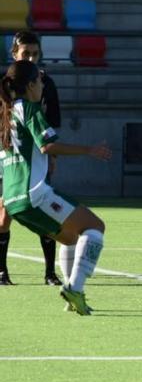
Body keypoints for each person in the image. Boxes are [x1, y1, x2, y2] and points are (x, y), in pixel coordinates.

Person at [0, 61, 111, 315]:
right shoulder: (28, 108)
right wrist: (88, 150)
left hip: (13, 201)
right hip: (35, 194)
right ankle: (75, 288)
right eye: (39, 82)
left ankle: (73, 296)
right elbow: (47, 146)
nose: (42, 87)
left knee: (71, 237)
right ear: (29, 85)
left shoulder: (3, 114)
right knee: (95, 227)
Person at [0, 31, 62, 286]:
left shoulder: (46, 84)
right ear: (14, 54)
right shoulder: (6, 83)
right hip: (8, 153)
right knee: (4, 212)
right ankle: (2, 271)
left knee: (44, 205)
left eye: (35, 53)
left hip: (37, 155)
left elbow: (53, 120)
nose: (32, 58)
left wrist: (53, 154)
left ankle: (50, 272)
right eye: (26, 53)